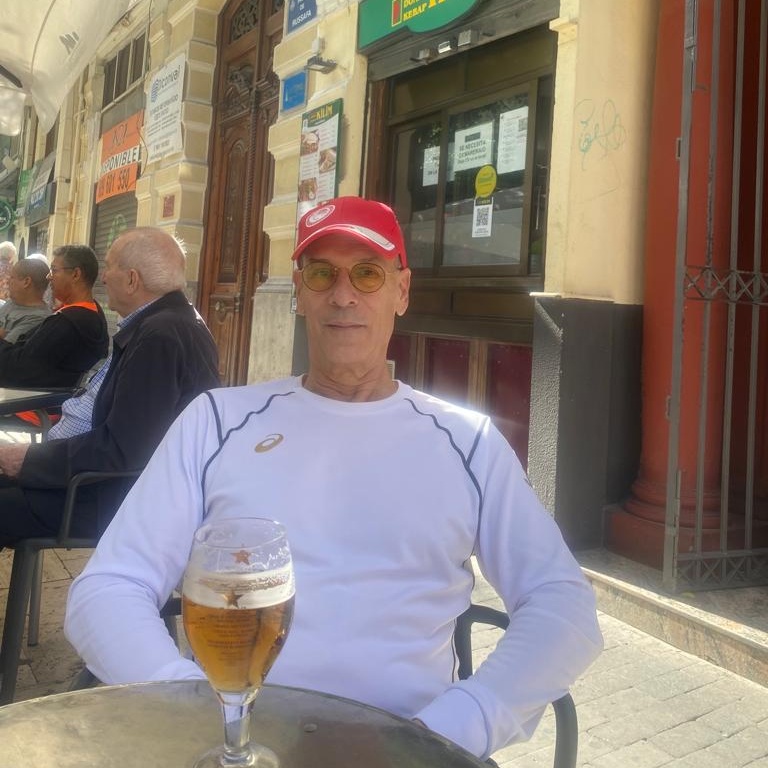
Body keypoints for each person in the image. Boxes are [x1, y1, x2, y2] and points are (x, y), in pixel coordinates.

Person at [65, 198, 602, 760]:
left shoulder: (468, 441)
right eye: (322, 274)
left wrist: (453, 728)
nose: (343, 295)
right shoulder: (217, 421)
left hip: (415, 746)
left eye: (367, 273)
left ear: (402, 291)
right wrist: (197, 711)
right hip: (234, 745)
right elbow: (107, 588)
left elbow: (561, 603)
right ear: (299, 291)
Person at [0, 227, 220, 547]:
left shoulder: (161, 336)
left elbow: (123, 448)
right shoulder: (166, 323)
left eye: (109, 267)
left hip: (102, 496)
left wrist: (29, 460)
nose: (102, 278)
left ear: (132, 280)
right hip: (89, 480)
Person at [0, 245, 108, 388]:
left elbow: (19, 369)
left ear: (76, 274)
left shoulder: (68, 323)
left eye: (54, 270)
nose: (49, 276)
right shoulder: (92, 314)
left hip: (29, 397)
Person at [0, 258, 52, 343]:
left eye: (12, 277)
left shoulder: (37, 318)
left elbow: (6, 348)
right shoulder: (13, 302)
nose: (7, 281)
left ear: (26, 282)